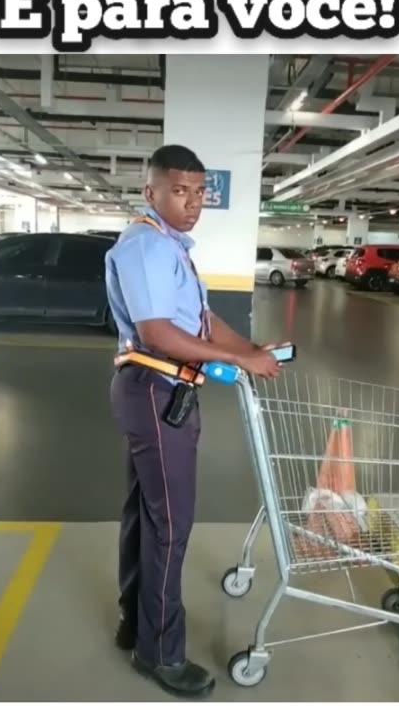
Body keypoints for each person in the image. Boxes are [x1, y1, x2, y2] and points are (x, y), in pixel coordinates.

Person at [105, 144, 281, 699]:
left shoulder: (172, 248)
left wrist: (252, 349)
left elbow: (201, 320)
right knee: (169, 525)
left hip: (165, 391)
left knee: (146, 513)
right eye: (179, 190)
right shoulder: (146, 246)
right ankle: (159, 653)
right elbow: (158, 333)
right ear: (151, 191)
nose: (192, 202)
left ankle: (135, 622)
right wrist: (237, 359)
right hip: (156, 389)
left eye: (200, 192)